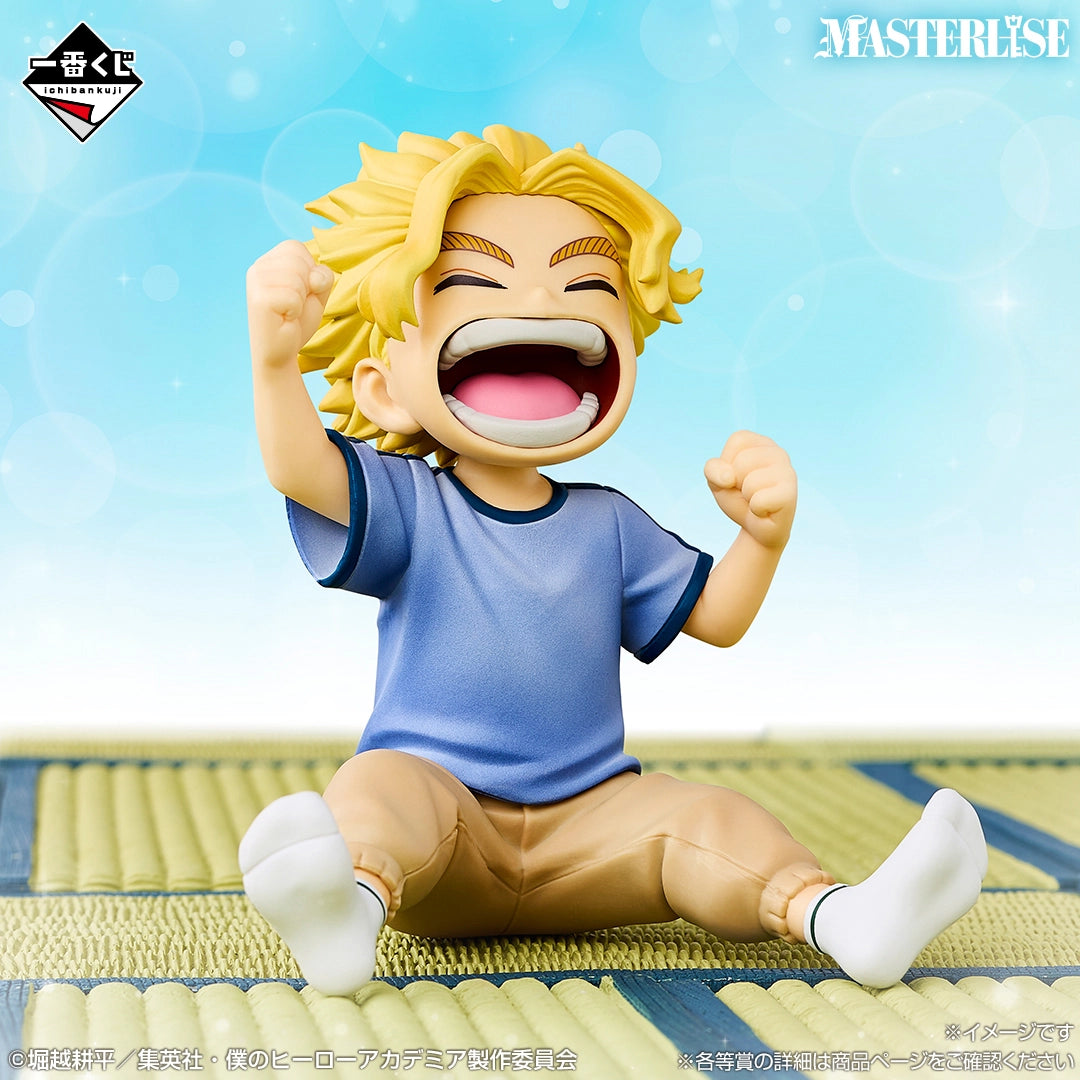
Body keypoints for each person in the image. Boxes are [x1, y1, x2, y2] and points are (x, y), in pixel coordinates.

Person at [240, 125, 987, 996]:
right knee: (377, 787)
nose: (540, 306)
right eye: (478, 284)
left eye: (585, 286)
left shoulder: (610, 525)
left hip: (595, 835)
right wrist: (275, 362)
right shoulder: (412, 503)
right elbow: (301, 467)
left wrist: (762, 538)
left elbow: (718, 619)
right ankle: (350, 906)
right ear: (382, 388)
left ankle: (841, 919)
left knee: (705, 817)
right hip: (443, 845)